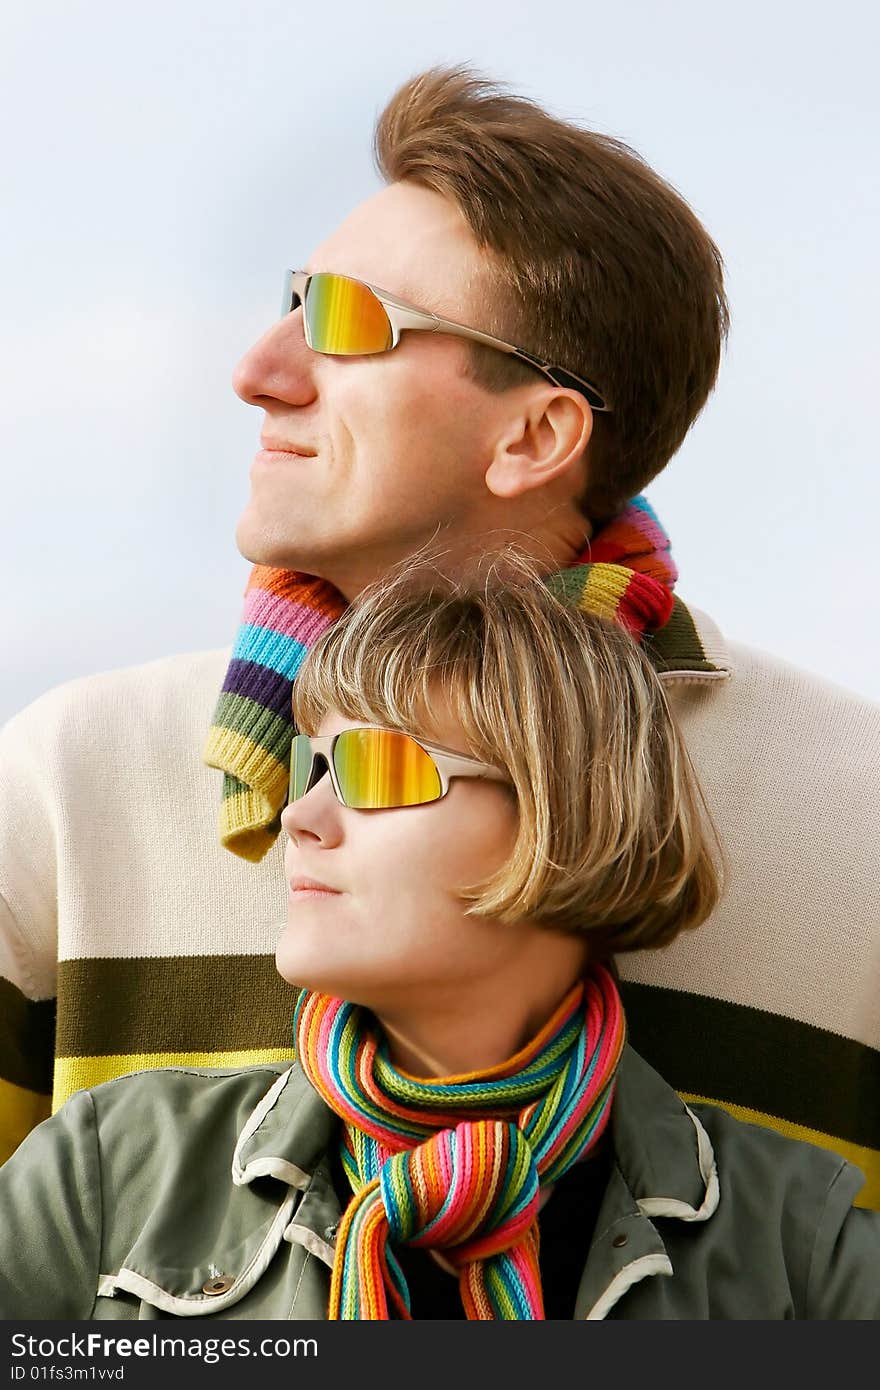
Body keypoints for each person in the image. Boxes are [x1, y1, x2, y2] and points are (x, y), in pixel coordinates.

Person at [1, 67, 878, 1208]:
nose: (258, 372)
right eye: (292, 299)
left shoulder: (854, 820)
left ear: (533, 434)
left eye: (347, 323)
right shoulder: (71, 780)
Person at [1, 564, 878, 1322]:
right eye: (315, 767)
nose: (301, 817)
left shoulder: (801, 1237)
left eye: (372, 769)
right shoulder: (110, 1169)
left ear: (562, 816)